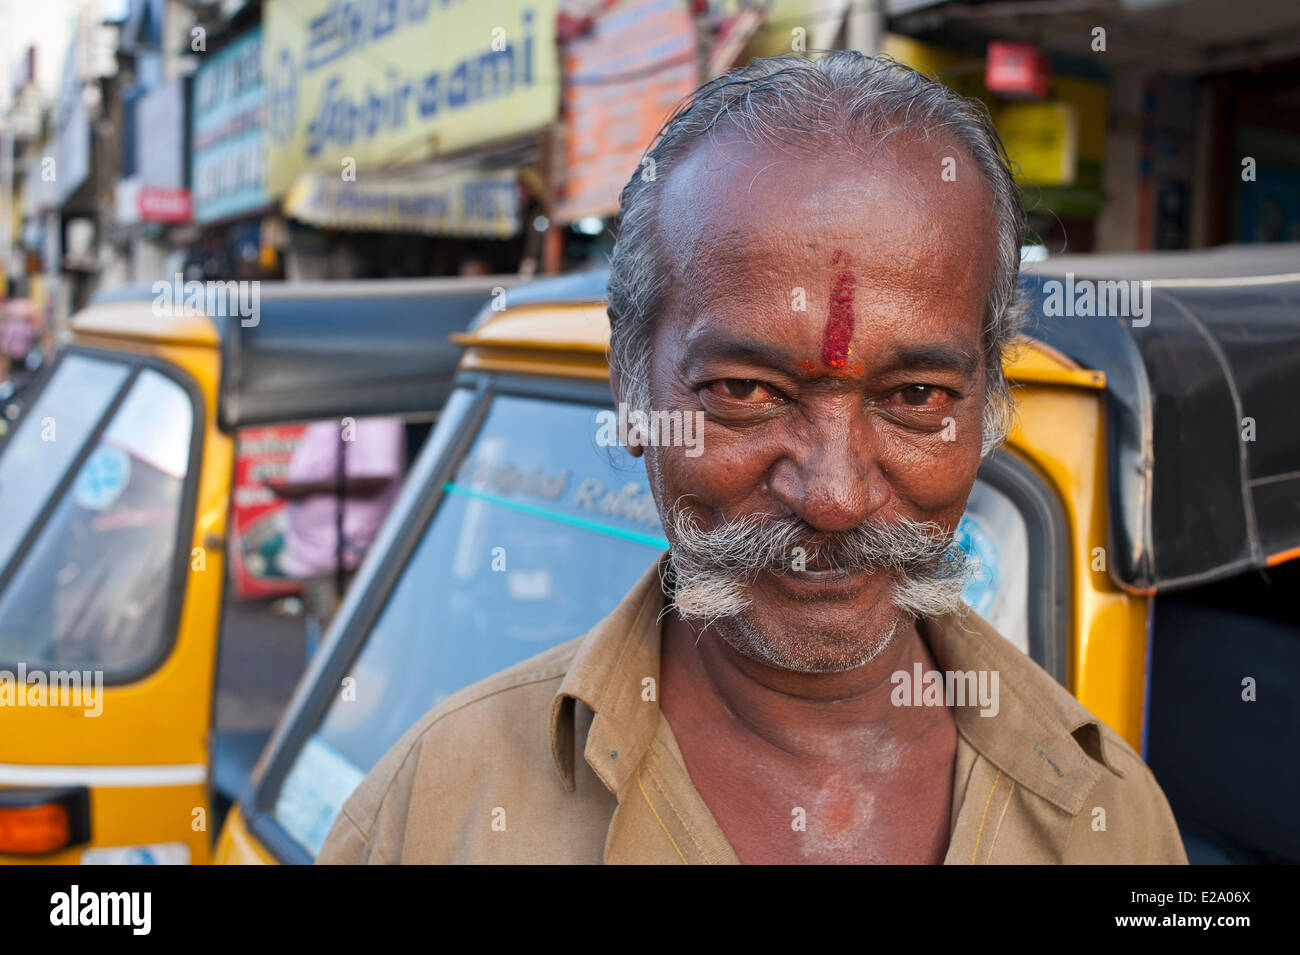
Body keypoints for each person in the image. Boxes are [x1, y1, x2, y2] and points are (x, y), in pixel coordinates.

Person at [317, 54, 1186, 864]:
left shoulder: (1112, 823)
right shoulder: (434, 810)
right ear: (630, 384)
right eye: (745, 390)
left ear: (989, 402)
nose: (835, 495)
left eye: (916, 396)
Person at [271, 416, 405, 655]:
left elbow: (379, 476)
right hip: (324, 558)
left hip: (347, 557)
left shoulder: (372, 411)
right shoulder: (340, 410)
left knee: (343, 655)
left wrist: (306, 488)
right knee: (329, 649)